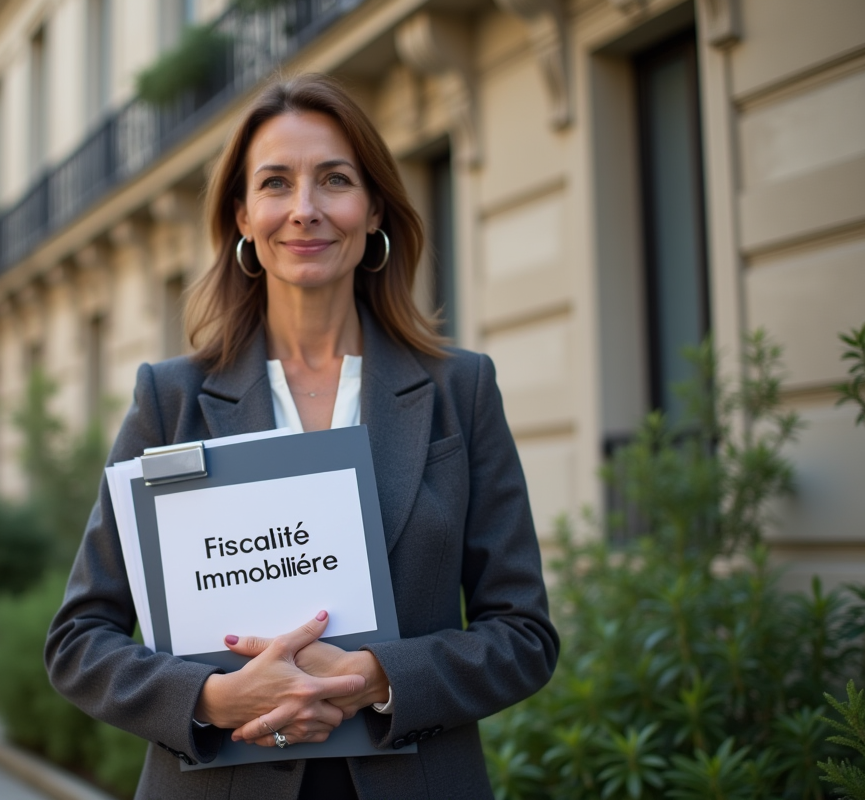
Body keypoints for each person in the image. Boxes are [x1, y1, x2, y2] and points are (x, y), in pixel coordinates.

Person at [45, 74, 559, 799]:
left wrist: (378, 678)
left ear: (373, 205)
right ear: (243, 215)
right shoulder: (170, 399)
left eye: (335, 180)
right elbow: (78, 642)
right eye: (277, 184)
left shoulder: (458, 391)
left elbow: (524, 638)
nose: (306, 210)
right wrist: (213, 700)